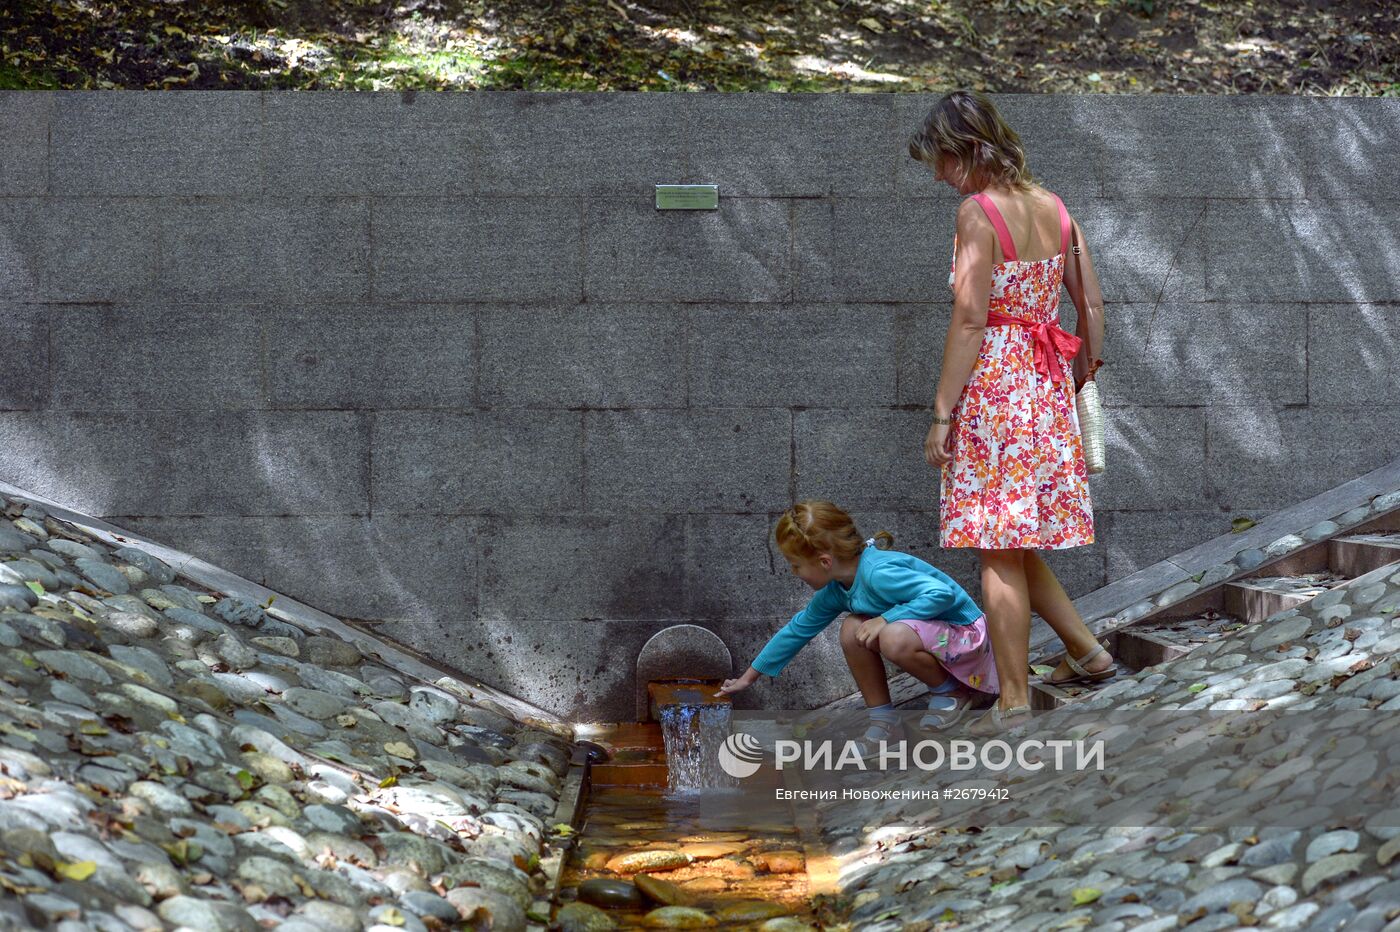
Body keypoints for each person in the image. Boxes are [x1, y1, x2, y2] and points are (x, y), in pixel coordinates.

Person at [908, 89, 1115, 732]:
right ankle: (1087, 652)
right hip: (1046, 381)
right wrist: (1083, 371)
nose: (940, 176)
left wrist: (943, 410)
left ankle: (1016, 700)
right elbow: (1093, 308)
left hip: (995, 388)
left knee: (995, 546)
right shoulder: (1057, 210)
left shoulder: (978, 212)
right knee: (1016, 538)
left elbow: (970, 318)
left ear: (968, 151)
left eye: (942, 160)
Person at [715, 500, 999, 755]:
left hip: (968, 639)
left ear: (825, 562)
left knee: (892, 636)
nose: (793, 572)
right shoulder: (838, 590)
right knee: (852, 629)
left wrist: (886, 618)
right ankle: (884, 721)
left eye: (795, 565)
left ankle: (952, 692)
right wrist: (748, 678)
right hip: (937, 640)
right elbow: (796, 630)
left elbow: (941, 595)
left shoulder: (878, 572)